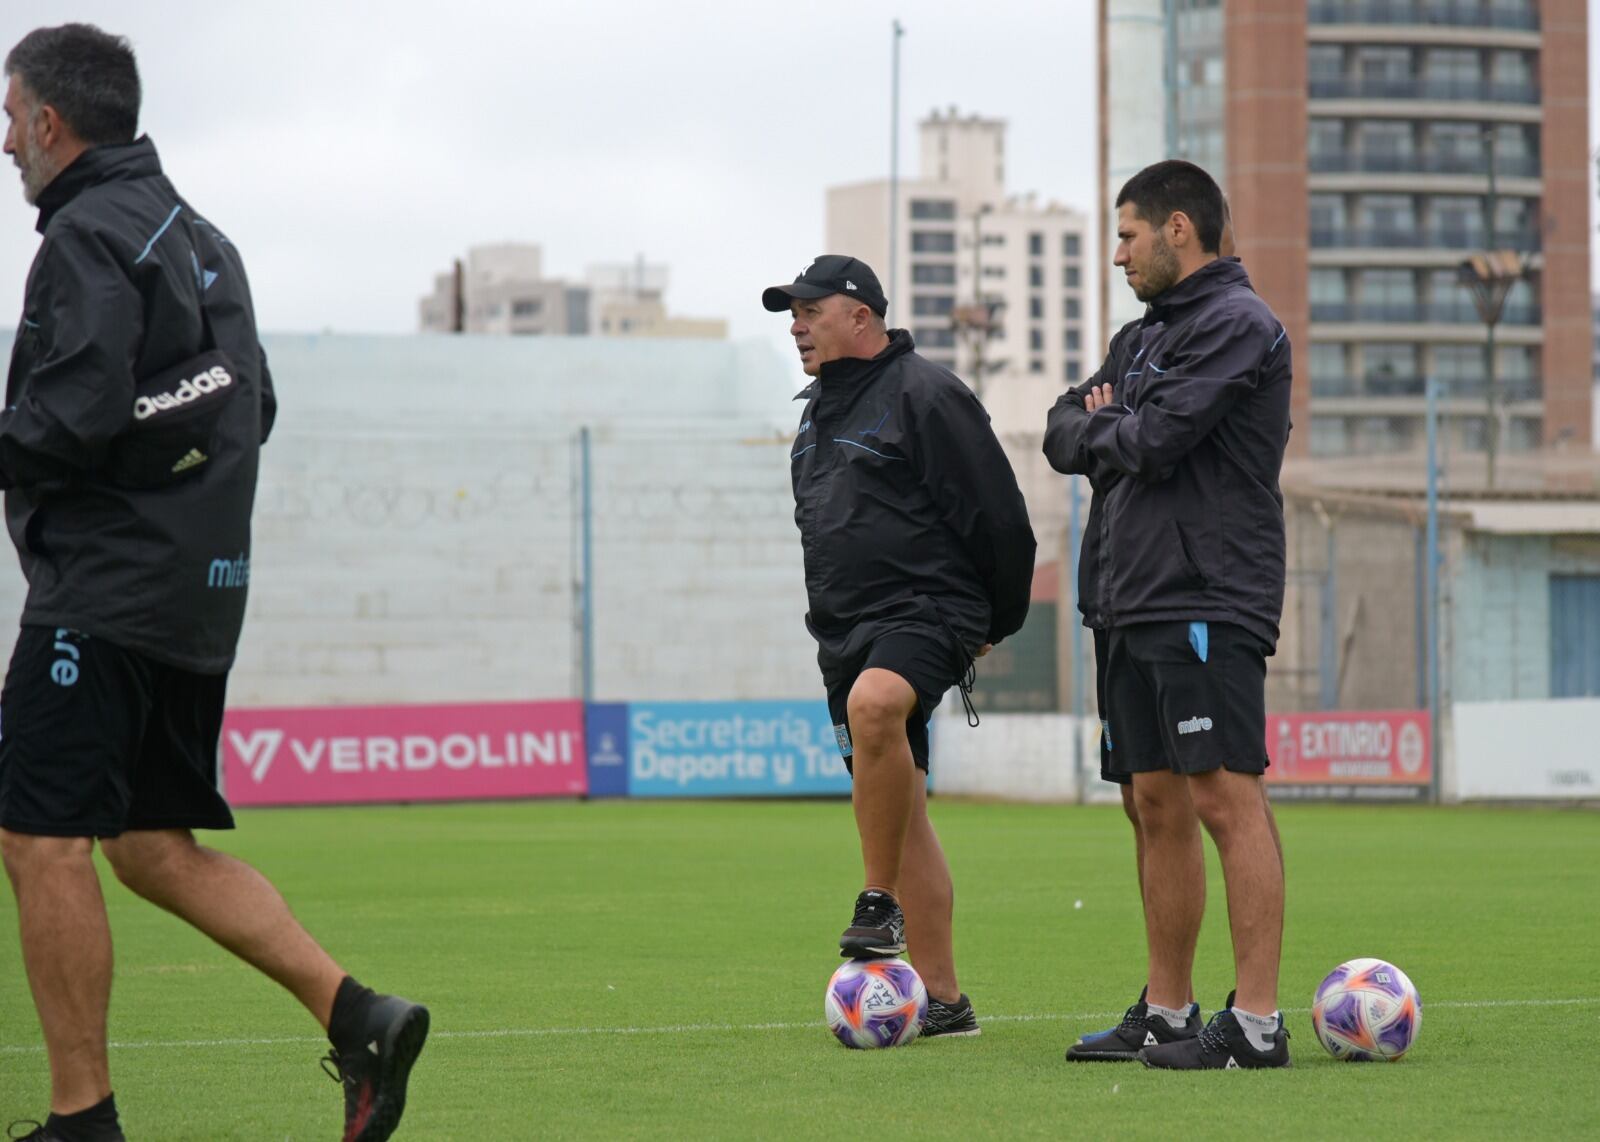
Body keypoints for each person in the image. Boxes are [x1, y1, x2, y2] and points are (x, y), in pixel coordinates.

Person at [0, 25, 427, 1141]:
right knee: (148, 845)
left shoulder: (88, 235)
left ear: (51, 122)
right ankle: (358, 1012)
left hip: (102, 594)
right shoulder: (205, 241)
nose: (5, 143)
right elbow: (254, 405)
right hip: (197, 595)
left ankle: (79, 1118)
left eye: (9, 117)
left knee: (38, 835)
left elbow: (75, 413)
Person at [1045, 160, 1292, 1069]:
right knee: (1151, 803)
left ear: (1178, 228)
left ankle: (1258, 1025)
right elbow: (1060, 426)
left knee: (1225, 797)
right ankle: (1170, 1010)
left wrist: (1110, 426)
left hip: (1205, 596)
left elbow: (1154, 439)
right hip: (1127, 597)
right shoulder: (1142, 337)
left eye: (1127, 235)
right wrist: (1106, 424)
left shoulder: (1237, 323)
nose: (1118, 254)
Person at [763, 255, 1036, 1039]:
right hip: (843, 632)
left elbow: (1003, 522)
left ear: (860, 316)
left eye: (809, 311)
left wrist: (997, 621)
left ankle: (877, 903)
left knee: (876, 703)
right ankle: (946, 1002)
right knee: (904, 807)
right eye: (792, 313)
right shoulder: (816, 414)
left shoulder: (927, 394)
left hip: (927, 611)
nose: (797, 325)